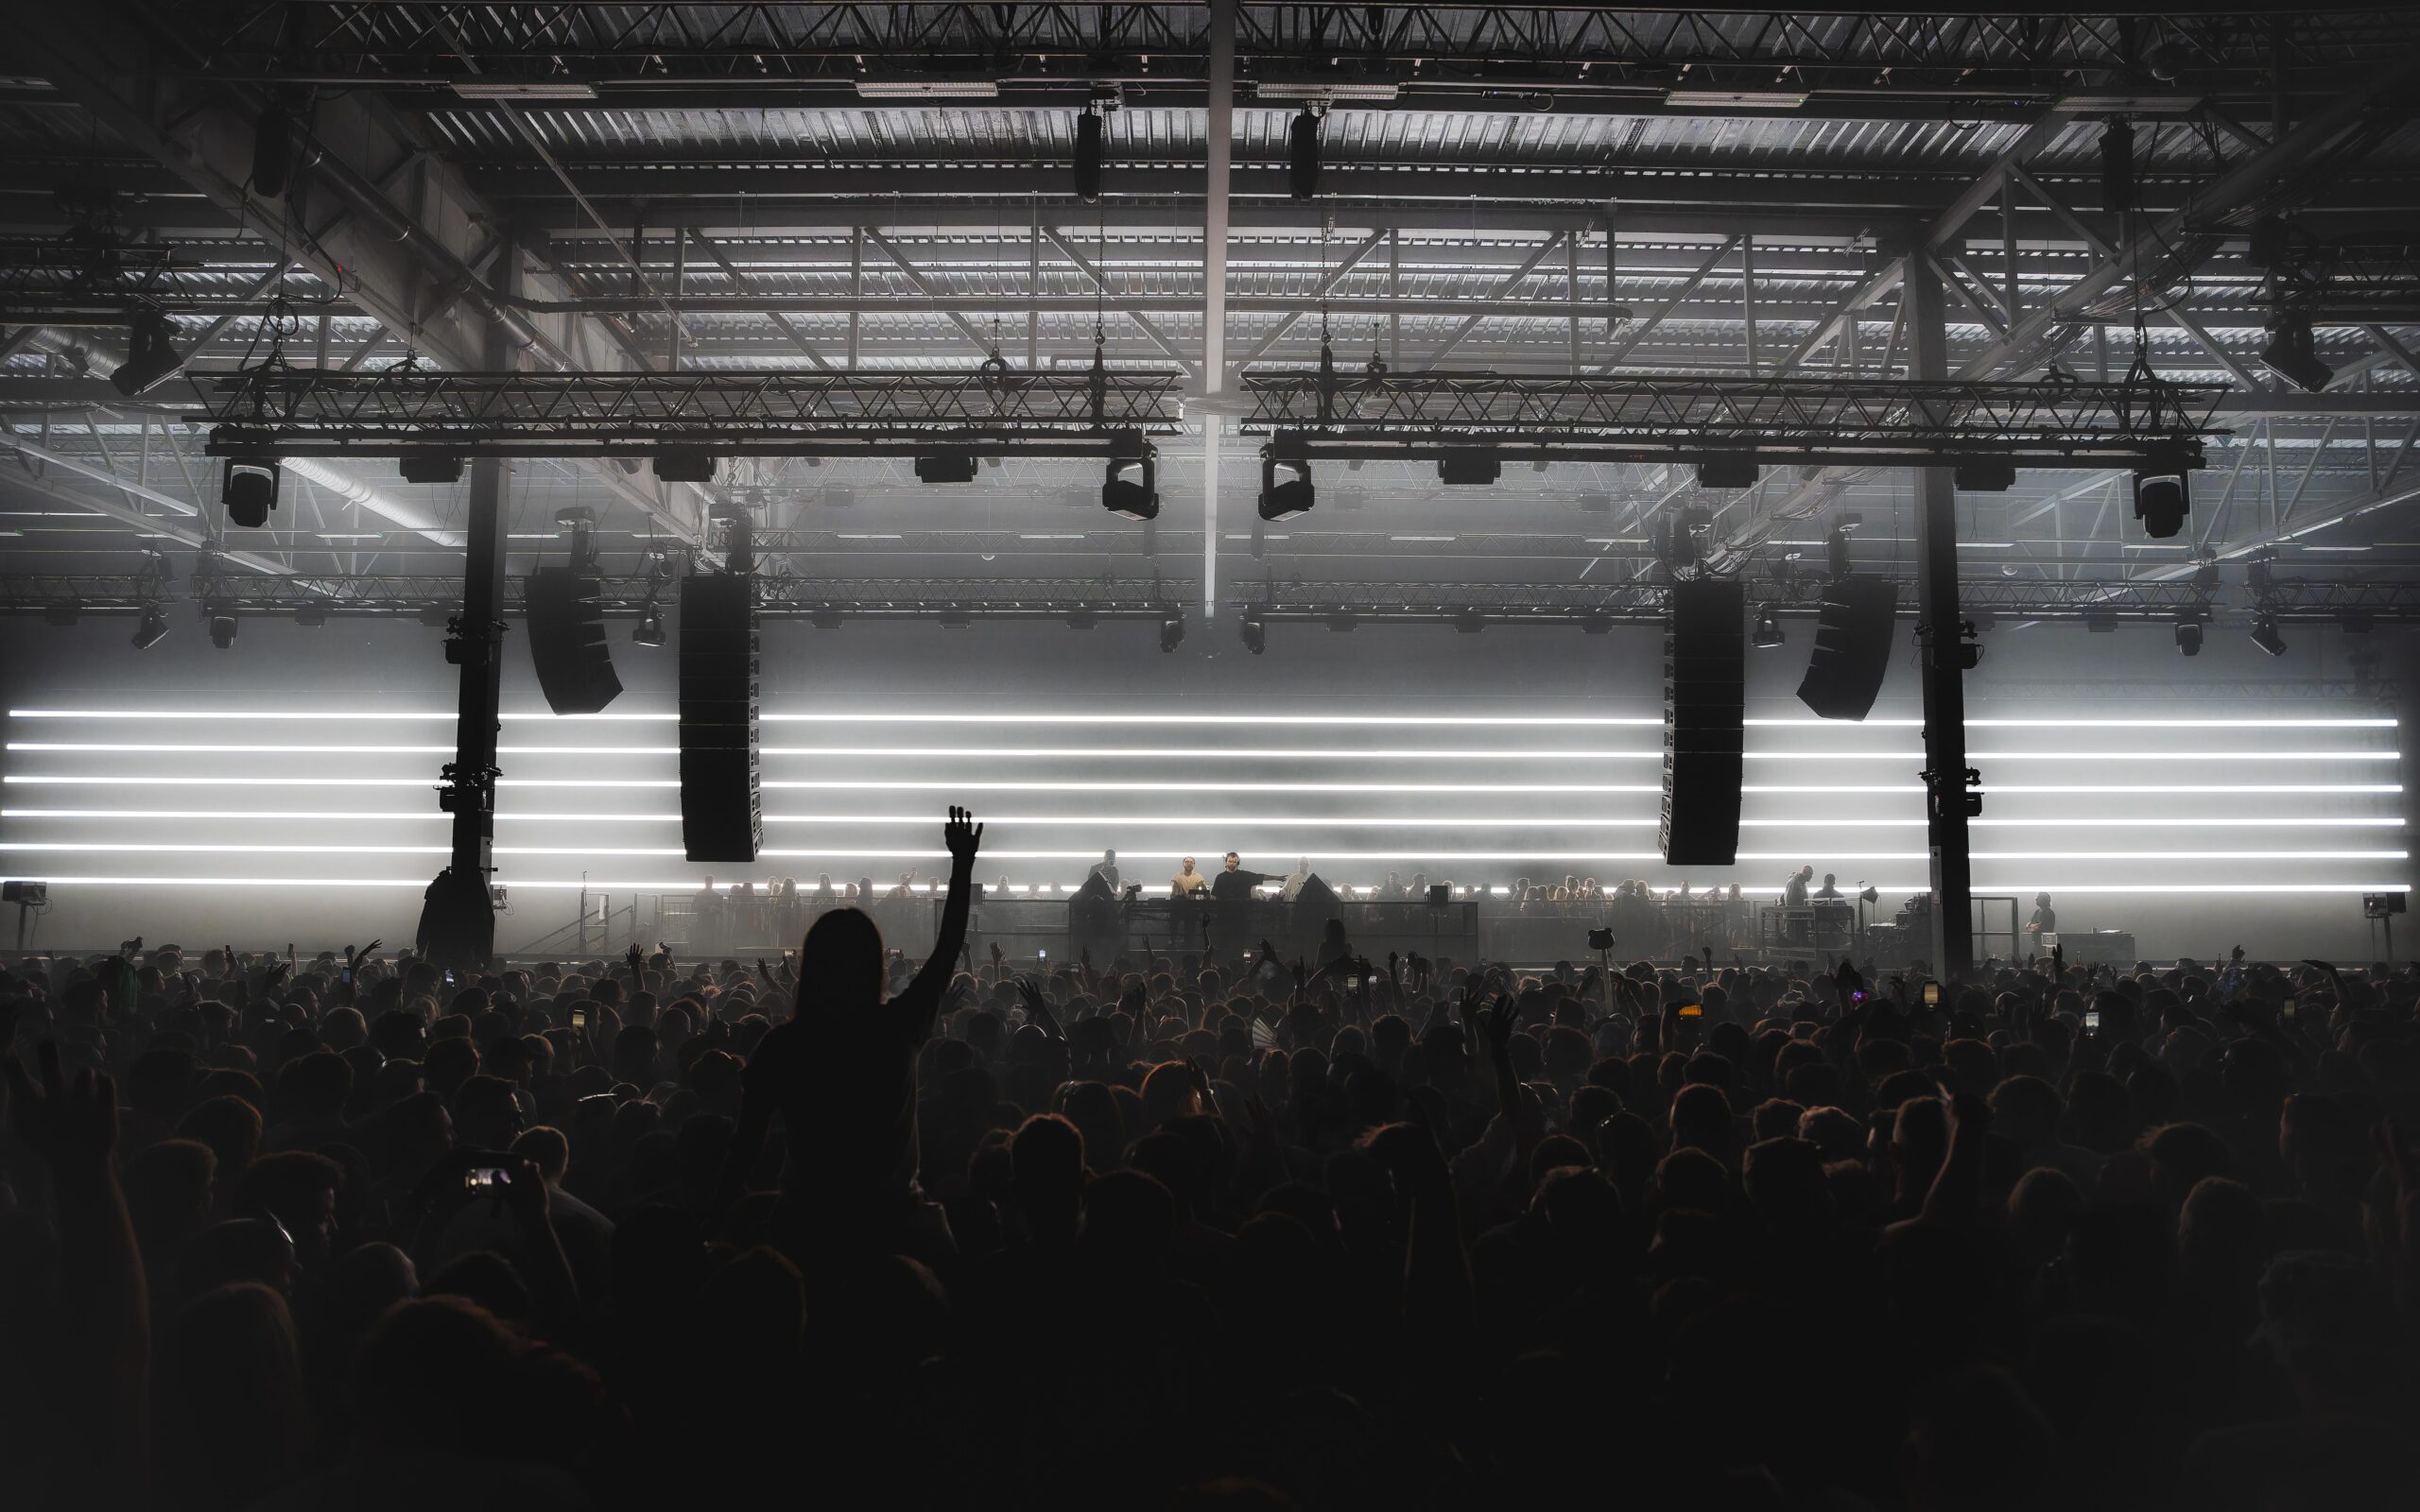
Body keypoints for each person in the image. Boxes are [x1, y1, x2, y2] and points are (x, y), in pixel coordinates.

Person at [723, 806, 982, 1264]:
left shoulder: (783, 1045)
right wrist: (962, 866)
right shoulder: (897, 1027)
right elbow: (946, 952)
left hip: (807, 1227)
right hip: (893, 1226)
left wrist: (720, 1211)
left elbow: (745, 1146)